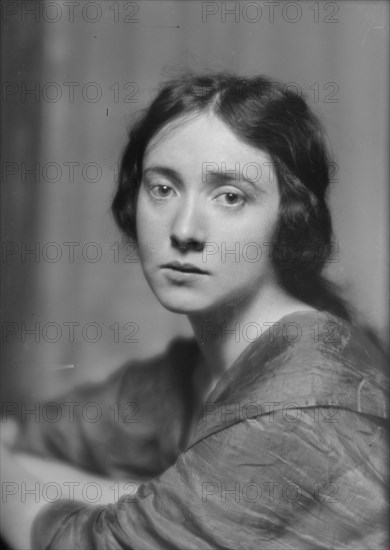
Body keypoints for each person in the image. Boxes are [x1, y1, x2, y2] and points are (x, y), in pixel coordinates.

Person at [1, 73, 388, 549]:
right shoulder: (189, 373)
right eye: (163, 189)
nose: (184, 230)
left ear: (290, 219)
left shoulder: (306, 402)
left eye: (230, 197)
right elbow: (32, 437)